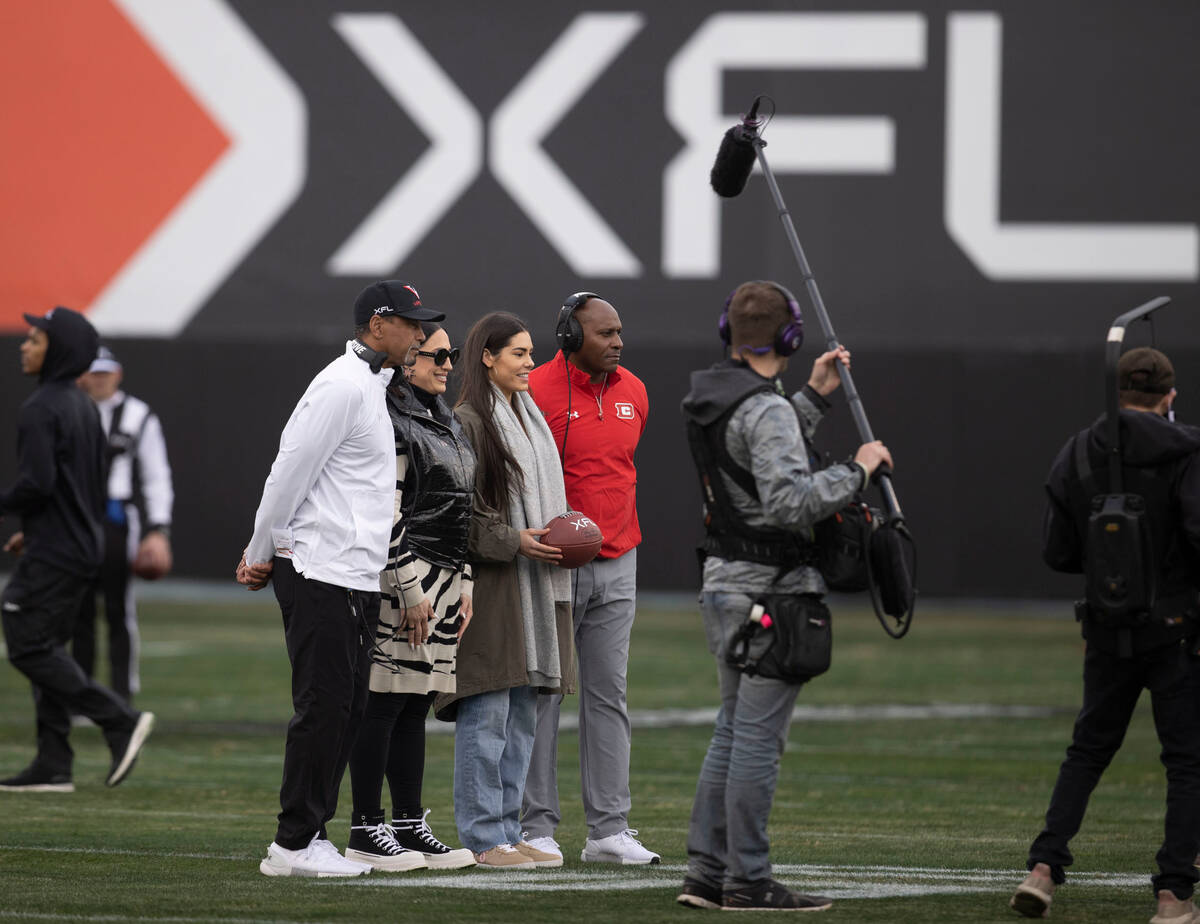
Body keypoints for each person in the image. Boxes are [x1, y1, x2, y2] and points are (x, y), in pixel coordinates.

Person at [676, 281, 892, 911]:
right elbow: (788, 500)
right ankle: (747, 881)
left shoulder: (715, 398)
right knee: (756, 743)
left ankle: (706, 876)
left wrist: (814, 398)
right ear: (791, 337)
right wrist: (860, 469)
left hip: (724, 585)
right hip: (769, 592)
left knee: (732, 731)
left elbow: (756, 450)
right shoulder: (763, 408)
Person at [237, 280, 441, 878]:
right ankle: (293, 844)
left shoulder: (370, 388)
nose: (421, 335)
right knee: (324, 707)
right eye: (410, 323)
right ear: (377, 325)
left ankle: (311, 836)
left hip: (351, 573)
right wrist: (260, 551)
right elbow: (288, 471)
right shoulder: (340, 386)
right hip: (318, 568)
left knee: (347, 708)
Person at [1010, 346, 1200, 923]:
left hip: (1107, 628)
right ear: (1169, 396)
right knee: (1187, 762)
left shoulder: (1077, 450)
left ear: (1116, 394)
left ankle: (1042, 871)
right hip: (1178, 632)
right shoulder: (1188, 451)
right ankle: (1173, 897)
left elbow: (1057, 550)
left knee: (1088, 751)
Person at [433, 311, 575, 871]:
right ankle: (483, 836)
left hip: (534, 589)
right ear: (487, 357)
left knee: (521, 717)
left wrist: (559, 532)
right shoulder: (467, 421)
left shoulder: (531, 420)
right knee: (488, 712)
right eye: (518, 352)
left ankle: (509, 829)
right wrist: (514, 539)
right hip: (489, 588)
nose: (530, 362)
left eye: (531, 352)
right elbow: (457, 516)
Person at [520, 292, 658, 865]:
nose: (617, 342)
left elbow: (621, 470)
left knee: (610, 696)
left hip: (619, 558)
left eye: (619, 331)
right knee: (544, 692)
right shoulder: (535, 390)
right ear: (571, 337)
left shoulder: (635, 390)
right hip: (556, 563)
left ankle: (609, 830)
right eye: (604, 333)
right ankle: (536, 828)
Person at [0, 307, 154, 793]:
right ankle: (53, 760)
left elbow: (39, 483)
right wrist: (36, 527)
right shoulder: (83, 405)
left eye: (35, 339)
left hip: (59, 549)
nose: (25, 346)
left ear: (58, 349)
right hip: (78, 544)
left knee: (26, 640)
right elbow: (78, 485)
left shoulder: (43, 407)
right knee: (49, 645)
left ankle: (118, 718)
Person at [345, 322, 476, 872]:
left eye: (452, 355)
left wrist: (465, 580)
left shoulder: (443, 418)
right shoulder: (393, 421)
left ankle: (407, 823)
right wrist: (408, 585)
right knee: (385, 701)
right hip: (408, 574)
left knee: (416, 703)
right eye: (436, 355)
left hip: (444, 577)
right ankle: (365, 826)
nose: (447, 364)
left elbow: (461, 506)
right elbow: (389, 512)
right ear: (407, 361)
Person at [74, 346, 174, 704]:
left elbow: (156, 476)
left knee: (118, 608)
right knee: (78, 611)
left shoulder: (138, 416)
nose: (98, 380)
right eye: (93, 372)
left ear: (117, 374)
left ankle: (120, 696)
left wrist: (157, 530)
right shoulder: (70, 409)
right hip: (74, 519)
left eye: (105, 373)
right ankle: (80, 696)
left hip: (116, 520)